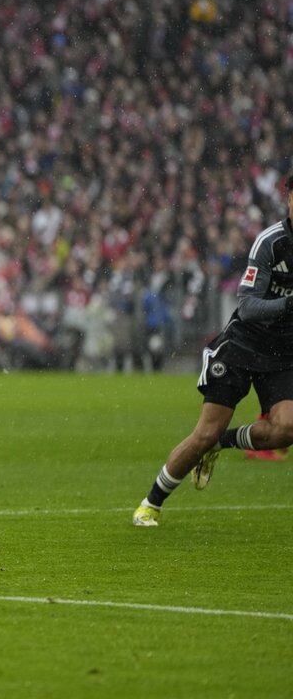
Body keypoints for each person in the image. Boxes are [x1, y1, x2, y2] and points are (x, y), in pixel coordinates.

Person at [133, 172, 293, 526]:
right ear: (289, 200)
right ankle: (150, 503)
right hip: (242, 345)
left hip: (282, 354)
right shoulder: (271, 242)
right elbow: (248, 306)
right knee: (203, 434)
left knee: (287, 429)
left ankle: (224, 442)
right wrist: (287, 304)